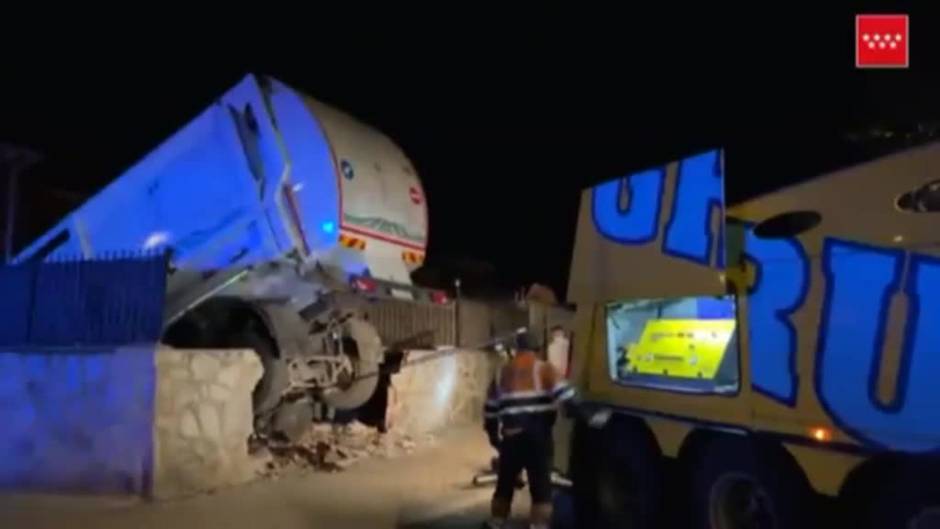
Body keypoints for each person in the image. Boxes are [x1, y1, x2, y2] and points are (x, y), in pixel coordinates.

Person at [482, 330, 577, 529]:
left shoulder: (501, 373)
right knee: (541, 486)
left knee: (505, 482)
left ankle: (497, 521)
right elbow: (568, 397)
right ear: (538, 349)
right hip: (538, 438)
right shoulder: (545, 369)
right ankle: (538, 525)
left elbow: (490, 409)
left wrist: (493, 436)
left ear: (516, 349)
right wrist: (585, 414)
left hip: (511, 437)